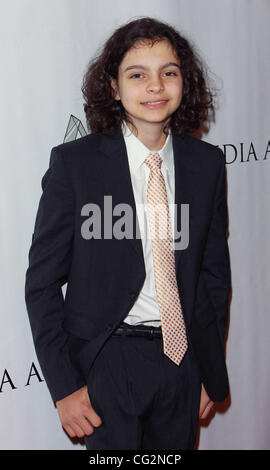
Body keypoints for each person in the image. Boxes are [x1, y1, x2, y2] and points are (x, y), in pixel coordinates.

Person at [25, 16, 231, 450]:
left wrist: (210, 370)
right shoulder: (75, 166)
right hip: (105, 361)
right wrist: (64, 386)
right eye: (137, 75)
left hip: (182, 362)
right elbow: (41, 284)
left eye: (168, 73)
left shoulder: (206, 165)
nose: (155, 86)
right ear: (115, 87)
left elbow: (213, 279)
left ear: (183, 83)